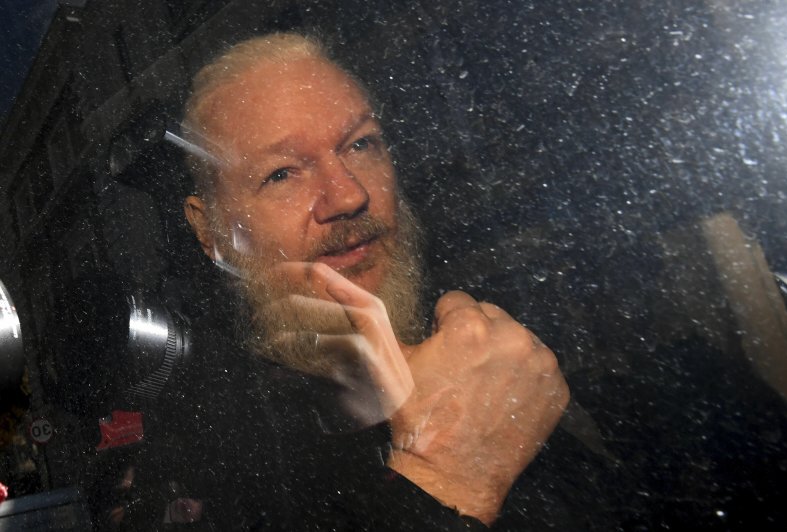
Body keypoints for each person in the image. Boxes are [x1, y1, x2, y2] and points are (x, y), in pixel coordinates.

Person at [108, 32, 568, 531]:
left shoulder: (493, 354)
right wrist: (446, 478)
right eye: (282, 174)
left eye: (361, 143)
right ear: (211, 231)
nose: (348, 195)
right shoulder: (196, 454)